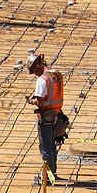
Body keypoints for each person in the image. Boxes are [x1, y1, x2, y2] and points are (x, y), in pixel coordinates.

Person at [26, 51, 64, 184]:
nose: (34, 74)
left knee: (46, 147)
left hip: (46, 117)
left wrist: (31, 100)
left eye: (33, 70)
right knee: (52, 146)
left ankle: (48, 178)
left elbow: (40, 101)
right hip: (57, 115)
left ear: (37, 65)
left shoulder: (42, 80)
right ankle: (53, 173)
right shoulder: (57, 74)